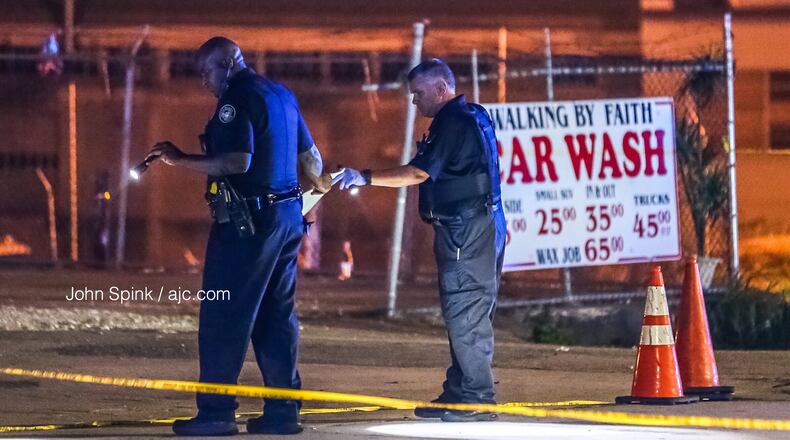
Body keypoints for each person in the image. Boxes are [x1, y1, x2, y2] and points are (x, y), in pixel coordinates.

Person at [146, 36, 329, 436]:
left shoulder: (236, 101)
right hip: (287, 218)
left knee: (223, 314)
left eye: (206, 72)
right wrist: (301, 203)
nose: (204, 82)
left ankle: (216, 413)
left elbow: (237, 161)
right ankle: (284, 413)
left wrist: (180, 159)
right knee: (275, 316)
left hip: (249, 226)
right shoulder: (282, 94)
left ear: (228, 63)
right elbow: (313, 163)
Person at [337, 58, 507, 422]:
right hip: (475, 225)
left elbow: (418, 172)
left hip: (467, 229)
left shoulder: (453, 123)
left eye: (419, 94)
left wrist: (363, 177)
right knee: (464, 312)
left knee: (465, 310)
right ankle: (459, 392)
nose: (415, 103)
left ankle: (477, 397)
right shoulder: (471, 115)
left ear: (442, 88)